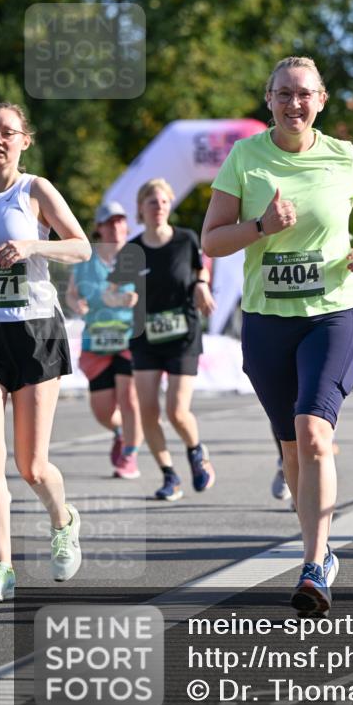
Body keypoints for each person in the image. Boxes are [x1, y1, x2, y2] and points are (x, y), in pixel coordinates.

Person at [201, 55, 353, 615]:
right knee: (290, 448)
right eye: (284, 94)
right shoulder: (245, 156)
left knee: (314, 433)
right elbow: (212, 242)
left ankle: (314, 564)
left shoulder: (342, 155)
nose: (294, 103)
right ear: (269, 101)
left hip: (334, 312)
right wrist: (261, 227)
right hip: (268, 321)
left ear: (322, 101)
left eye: (304, 94)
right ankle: (320, 545)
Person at [0, 102, 91, 601]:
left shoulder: (34, 191)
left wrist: (33, 247)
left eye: (8, 132)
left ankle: (62, 519)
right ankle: (2, 566)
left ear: (24, 141)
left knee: (30, 466)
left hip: (36, 332)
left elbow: (82, 247)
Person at [106, 178, 216, 501]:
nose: (159, 207)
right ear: (141, 208)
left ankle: (196, 452)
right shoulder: (133, 250)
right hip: (145, 337)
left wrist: (201, 285)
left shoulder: (186, 240)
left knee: (177, 411)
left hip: (183, 333)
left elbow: (201, 270)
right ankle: (169, 475)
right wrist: (120, 299)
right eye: (152, 202)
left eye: (165, 201)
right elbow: (111, 292)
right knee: (148, 411)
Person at [66, 201, 143, 478]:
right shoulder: (86, 261)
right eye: (110, 222)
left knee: (129, 397)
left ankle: (130, 454)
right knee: (102, 410)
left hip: (131, 338)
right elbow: (72, 294)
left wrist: (138, 301)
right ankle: (121, 432)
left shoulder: (137, 256)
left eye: (121, 221)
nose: (117, 227)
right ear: (99, 228)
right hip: (96, 342)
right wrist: (77, 305)